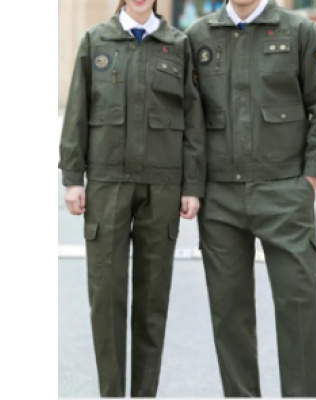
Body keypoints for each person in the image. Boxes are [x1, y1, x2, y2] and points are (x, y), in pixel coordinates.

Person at [185, 0, 316, 397]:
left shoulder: (299, 31)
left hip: (285, 192)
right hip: (219, 198)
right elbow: (186, 117)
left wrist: (309, 181)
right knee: (229, 316)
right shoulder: (198, 36)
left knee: (299, 308)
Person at [58, 0, 205, 397]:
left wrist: (192, 184)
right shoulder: (96, 40)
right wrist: (72, 177)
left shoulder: (178, 44)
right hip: (107, 184)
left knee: (152, 302)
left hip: (162, 186)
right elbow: (77, 110)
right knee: (105, 298)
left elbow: (193, 118)